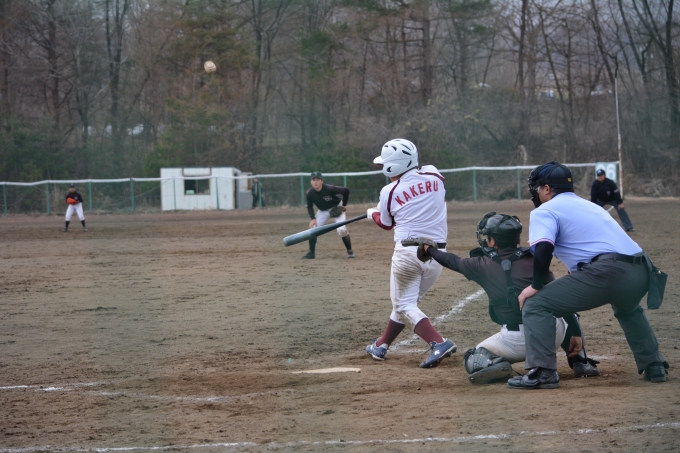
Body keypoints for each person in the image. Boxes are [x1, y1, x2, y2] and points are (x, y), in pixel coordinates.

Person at [508, 161, 668, 390]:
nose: (536, 193)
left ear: (547, 189)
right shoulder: (590, 206)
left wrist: (536, 284)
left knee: (535, 304)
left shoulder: (544, 210)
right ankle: (654, 365)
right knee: (629, 309)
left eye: (537, 188)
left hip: (609, 272)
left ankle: (544, 372)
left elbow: (543, 248)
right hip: (642, 270)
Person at [420, 212, 600, 384]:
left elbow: (450, 260)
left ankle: (497, 366)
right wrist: (575, 332)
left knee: (473, 357)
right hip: (552, 335)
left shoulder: (481, 264)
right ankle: (581, 362)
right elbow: (561, 300)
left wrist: (430, 249)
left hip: (515, 343)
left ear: (493, 241)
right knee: (567, 312)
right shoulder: (535, 260)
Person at [365, 138, 456, 368]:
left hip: (408, 254)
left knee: (404, 305)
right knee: (407, 303)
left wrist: (372, 213)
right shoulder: (434, 174)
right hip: (437, 254)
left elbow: (386, 224)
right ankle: (381, 345)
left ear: (392, 166)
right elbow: (419, 193)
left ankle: (439, 342)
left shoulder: (389, 191)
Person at [302, 171, 354, 259]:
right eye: (313, 180)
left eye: (318, 179)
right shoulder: (309, 193)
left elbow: (346, 191)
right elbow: (309, 206)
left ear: (322, 181)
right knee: (313, 229)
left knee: (341, 229)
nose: (315, 182)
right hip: (323, 211)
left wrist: (343, 205)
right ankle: (311, 253)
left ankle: (349, 250)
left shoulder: (330, 188)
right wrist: (312, 218)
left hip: (336, 207)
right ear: (311, 182)